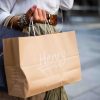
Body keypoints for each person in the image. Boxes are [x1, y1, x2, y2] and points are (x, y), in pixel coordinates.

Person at [0, 0, 74, 100]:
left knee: (46, 87)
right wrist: (23, 21)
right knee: (21, 91)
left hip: (48, 40)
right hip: (20, 40)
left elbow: (67, 5)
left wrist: (49, 18)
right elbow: (1, 12)